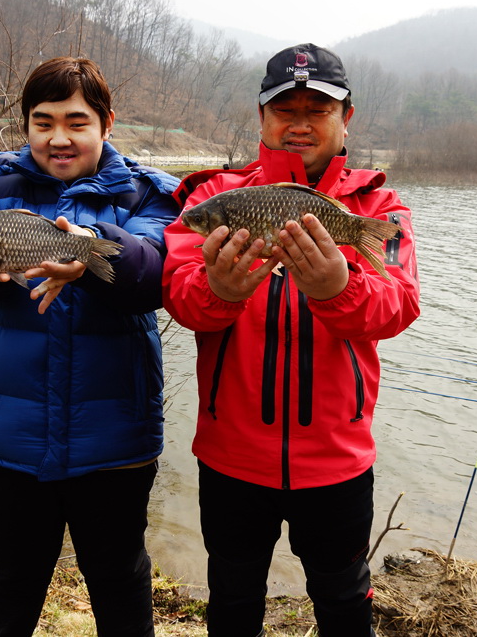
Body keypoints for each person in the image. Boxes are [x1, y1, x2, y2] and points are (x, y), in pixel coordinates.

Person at [161, 43, 421, 637]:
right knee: (232, 598)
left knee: (344, 599)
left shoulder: (379, 207)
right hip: (230, 456)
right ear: (262, 117)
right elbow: (180, 296)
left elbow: (399, 305)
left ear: (345, 118)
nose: (300, 123)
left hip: (336, 460)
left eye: (318, 110)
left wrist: (338, 289)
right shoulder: (212, 196)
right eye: (285, 109)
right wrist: (220, 292)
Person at [0, 56, 179, 637]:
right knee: (12, 577)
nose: (58, 138)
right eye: (43, 123)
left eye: (76, 122)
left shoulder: (147, 192)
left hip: (115, 434)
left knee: (120, 577)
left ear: (106, 124)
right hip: (6, 431)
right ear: (26, 125)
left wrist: (90, 249)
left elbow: (153, 277)